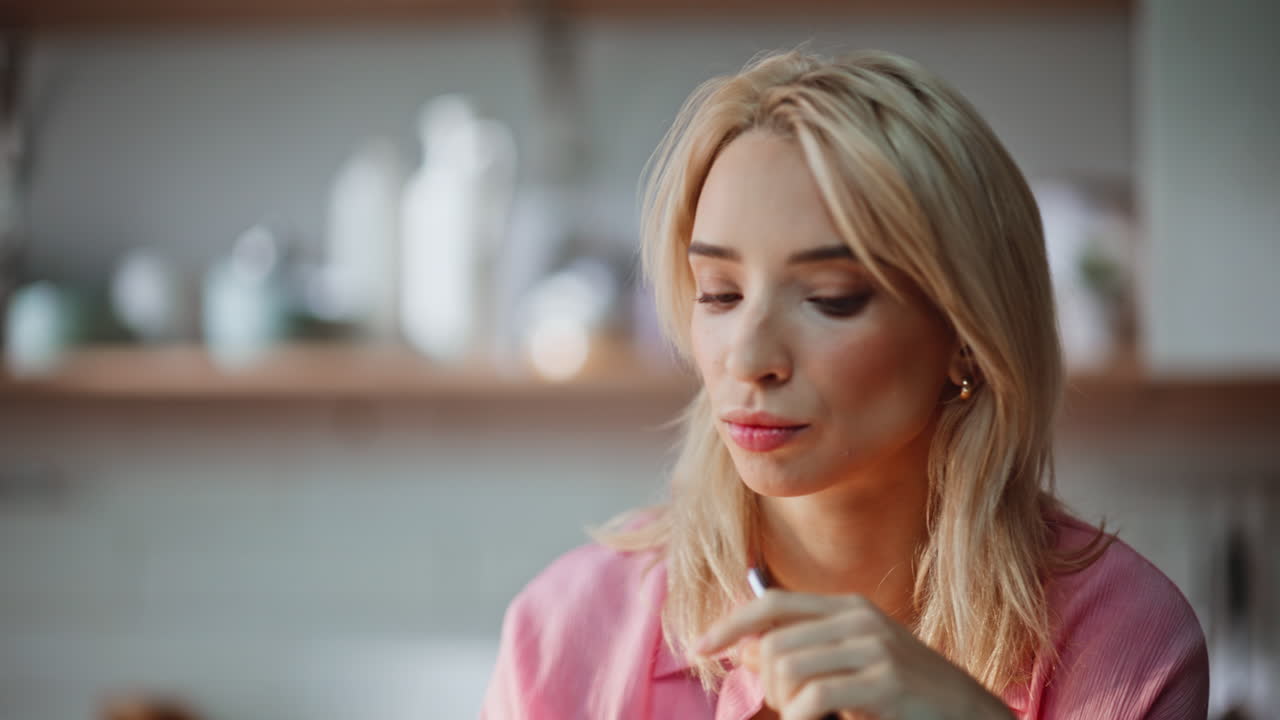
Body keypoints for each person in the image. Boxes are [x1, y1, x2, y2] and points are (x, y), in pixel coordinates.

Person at [481, 49, 1209, 719]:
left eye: (831, 297)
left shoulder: (1126, 641)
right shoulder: (566, 631)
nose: (748, 358)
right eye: (719, 293)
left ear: (965, 335)